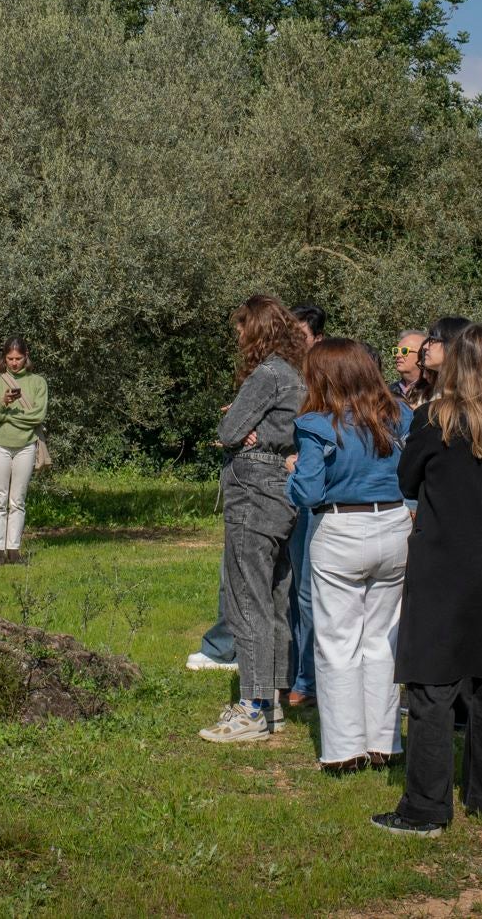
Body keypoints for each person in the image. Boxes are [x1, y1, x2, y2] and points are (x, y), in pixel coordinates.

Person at [374, 323, 482, 836]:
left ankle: (425, 807)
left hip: (445, 560)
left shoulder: (436, 418)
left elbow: (407, 478)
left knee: (432, 680)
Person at [287, 339, 413, 771]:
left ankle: (344, 750)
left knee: (338, 642)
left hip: (341, 528)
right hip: (394, 523)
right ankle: (384, 743)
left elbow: (308, 492)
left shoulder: (317, 424)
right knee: (383, 639)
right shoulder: (399, 416)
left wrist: (291, 473)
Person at [199, 295, 307, 743]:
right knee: (275, 596)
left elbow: (228, 432)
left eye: (242, 328)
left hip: (254, 488)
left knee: (247, 598)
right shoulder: (296, 373)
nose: (239, 336)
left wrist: (239, 426)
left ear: (257, 330)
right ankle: (273, 700)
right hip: (283, 489)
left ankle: (253, 708)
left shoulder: (266, 374)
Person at [282, 303, 328, 708]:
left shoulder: (324, 376)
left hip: (316, 492)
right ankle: (298, 671)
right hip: (295, 488)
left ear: (317, 338)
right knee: (296, 586)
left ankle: (309, 681)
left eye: (300, 335)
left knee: (309, 590)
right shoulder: (285, 374)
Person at [0, 340, 49, 566]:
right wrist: (2, 403)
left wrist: (6, 417)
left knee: (18, 499)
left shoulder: (37, 382)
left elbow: (38, 416)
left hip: (26, 446)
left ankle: (14, 550)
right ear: (4, 358)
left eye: (18, 358)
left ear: (26, 355)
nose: (14, 363)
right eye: (10, 359)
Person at [410, 316, 471, 410]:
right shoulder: (434, 392)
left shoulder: (470, 397)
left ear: (452, 344)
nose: (425, 347)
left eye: (433, 340)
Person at [390, 329, 426, 403]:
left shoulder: (436, 392)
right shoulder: (388, 392)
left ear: (422, 354)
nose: (397, 355)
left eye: (404, 351)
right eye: (396, 351)